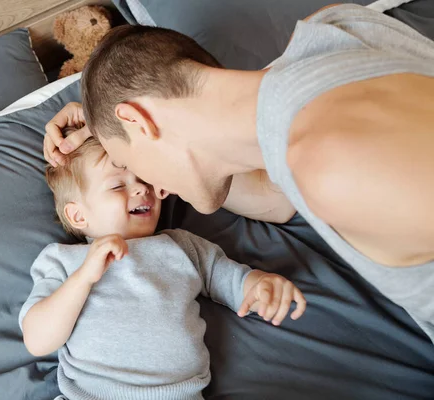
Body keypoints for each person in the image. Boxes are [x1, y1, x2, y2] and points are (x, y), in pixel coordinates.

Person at [43, 4, 434, 341]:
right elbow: (275, 199)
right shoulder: (333, 29)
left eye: (128, 165)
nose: (157, 191)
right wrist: (109, 125)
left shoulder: (331, 164)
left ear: (141, 121)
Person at [20, 137, 306, 399]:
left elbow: (230, 279)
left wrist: (261, 286)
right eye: (118, 185)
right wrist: (83, 278)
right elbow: (37, 339)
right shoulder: (64, 260)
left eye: (144, 178)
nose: (142, 188)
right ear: (78, 215)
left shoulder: (180, 246)